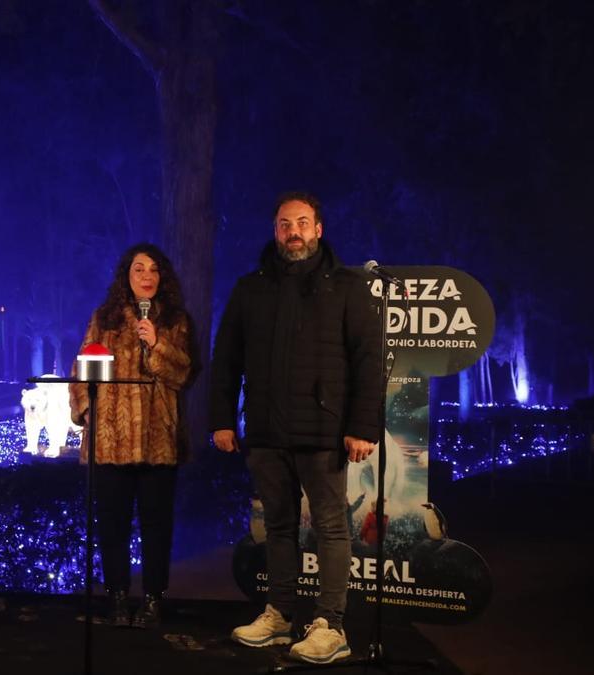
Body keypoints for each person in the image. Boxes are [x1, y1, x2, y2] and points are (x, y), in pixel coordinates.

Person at [210, 192, 383, 664]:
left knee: (330, 527)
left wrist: (363, 426)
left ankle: (332, 625)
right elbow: (225, 360)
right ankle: (280, 615)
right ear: (275, 230)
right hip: (266, 431)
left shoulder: (347, 287)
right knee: (279, 525)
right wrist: (222, 418)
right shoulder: (251, 289)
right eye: (286, 224)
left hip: (324, 432)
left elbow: (369, 363)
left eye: (303, 222)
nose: (294, 232)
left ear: (319, 229)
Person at [68, 243, 195, 628]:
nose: (146, 277)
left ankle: (154, 599)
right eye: (139, 269)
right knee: (112, 524)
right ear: (127, 275)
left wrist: (156, 342)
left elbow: (183, 373)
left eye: (154, 270)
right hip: (112, 440)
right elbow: (81, 372)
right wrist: (88, 412)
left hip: (158, 440)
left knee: (157, 525)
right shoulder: (104, 319)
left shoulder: (175, 320)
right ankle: (118, 597)